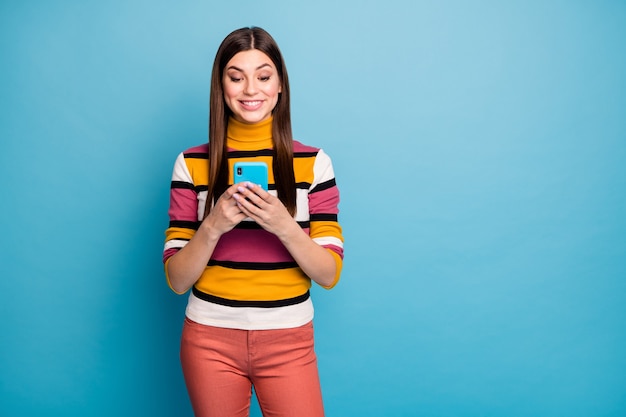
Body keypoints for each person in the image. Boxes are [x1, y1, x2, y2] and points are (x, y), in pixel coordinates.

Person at [162, 26, 344, 417]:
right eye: (235, 76)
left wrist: (283, 224)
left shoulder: (314, 163)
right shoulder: (190, 163)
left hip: (289, 337)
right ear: (221, 86)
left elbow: (329, 274)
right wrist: (213, 225)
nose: (250, 89)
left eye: (263, 76)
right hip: (208, 337)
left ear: (280, 86)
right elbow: (177, 280)